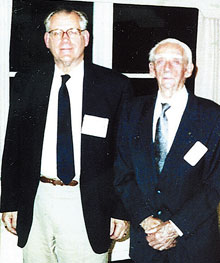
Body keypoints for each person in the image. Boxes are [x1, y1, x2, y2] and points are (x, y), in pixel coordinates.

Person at [0, 8, 132, 263]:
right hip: (37, 200)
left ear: (86, 37)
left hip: (89, 204)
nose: (65, 39)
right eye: (57, 32)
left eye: (72, 31)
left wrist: (120, 209)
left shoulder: (114, 86)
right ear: (47, 40)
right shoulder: (27, 82)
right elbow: (12, 146)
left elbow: (124, 155)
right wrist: (8, 203)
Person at [114, 38, 220, 263]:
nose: (167, 67)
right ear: (152, 69)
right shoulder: (131, 112)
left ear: (189, 69)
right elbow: (122, 173)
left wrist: (175, 227)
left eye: (176, 61)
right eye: (160, 61)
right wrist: (145, 219)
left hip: (195, 242)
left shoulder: (213, 116)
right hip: (146, 240)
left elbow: (215, 184)